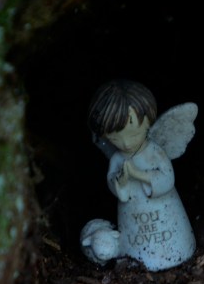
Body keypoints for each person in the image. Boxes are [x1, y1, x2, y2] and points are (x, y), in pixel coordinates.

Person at [83, 80, 196, 271]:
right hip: (132, 212)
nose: (126, 143)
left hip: (164, 210)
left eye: (133, 134)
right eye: (115, 138)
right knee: (134, 243)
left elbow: (167, 178)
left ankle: (179, 250)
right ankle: (136, 260)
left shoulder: (154, 151)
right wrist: (121, 181)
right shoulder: (117, 159)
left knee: (174, 239)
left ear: (148, 123)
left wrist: (139, 174)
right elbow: (112, 181)